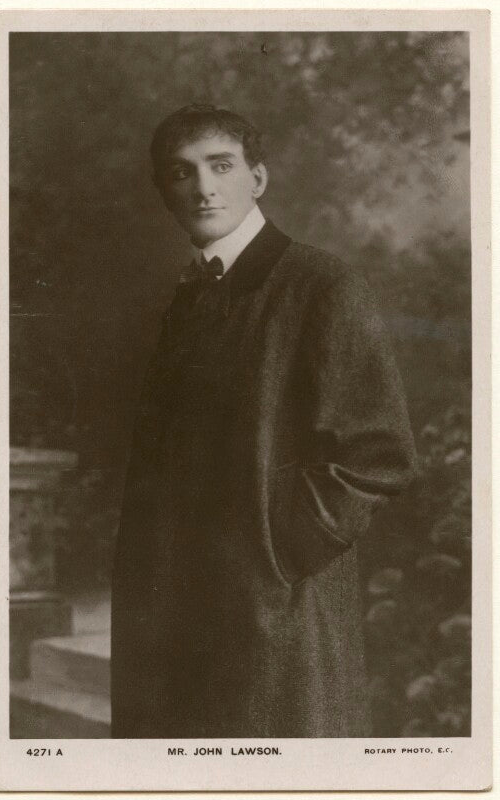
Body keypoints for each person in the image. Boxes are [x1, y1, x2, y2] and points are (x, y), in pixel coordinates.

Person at [111, 104, 416, 738]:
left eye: (220, 166)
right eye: (182, 173)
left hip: (278, 614)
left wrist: (276, 555)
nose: (203, 187)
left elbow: (377, 455)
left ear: (258, 178)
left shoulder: (323, 285)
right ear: (164, 190)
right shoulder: (189, 295)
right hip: (175, 613)